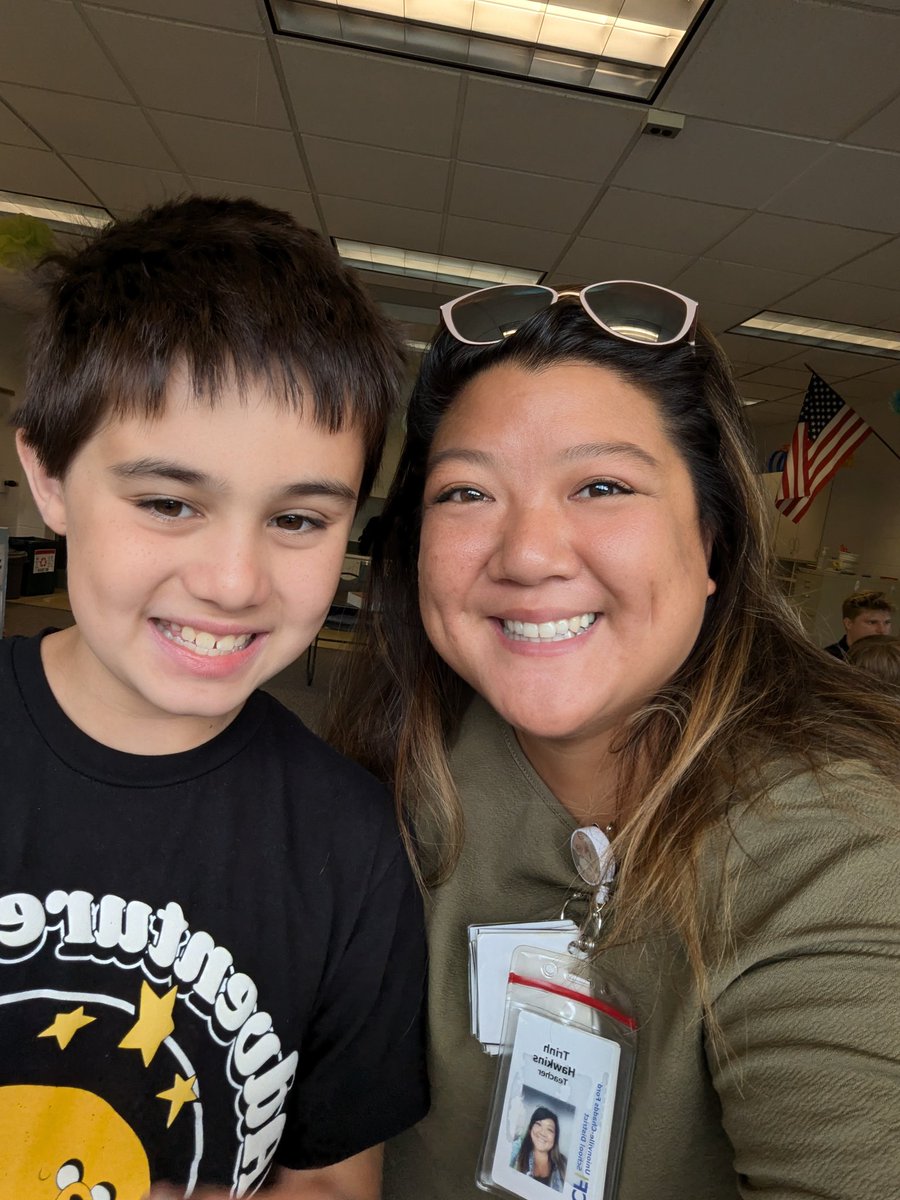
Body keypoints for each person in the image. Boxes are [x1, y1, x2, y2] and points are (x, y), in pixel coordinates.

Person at [327, 281, 900, 1200]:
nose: (527, 553)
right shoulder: (373, 798)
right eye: (467, 491)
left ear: (710, 540)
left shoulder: (842, 841)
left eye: (602, 486)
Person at [2, 196, 428, 1200]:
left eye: (298, 518)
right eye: (168, 503)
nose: (234, 581)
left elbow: (329, 1180)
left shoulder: (355, 846)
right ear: (50, 478)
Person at [823, 588, 893, 659]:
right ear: (848, 624)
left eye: (887, 622)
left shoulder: (892, 659)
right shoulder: (828, 660)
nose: (882, 630)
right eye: (872, 622)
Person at [510, 1106, 567, 1191]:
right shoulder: (516, 1150)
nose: (543, 1133)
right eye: (538, 1124)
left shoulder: (563, 1164)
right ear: (530, 1128)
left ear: (555, 1138)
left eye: (550, 1130)